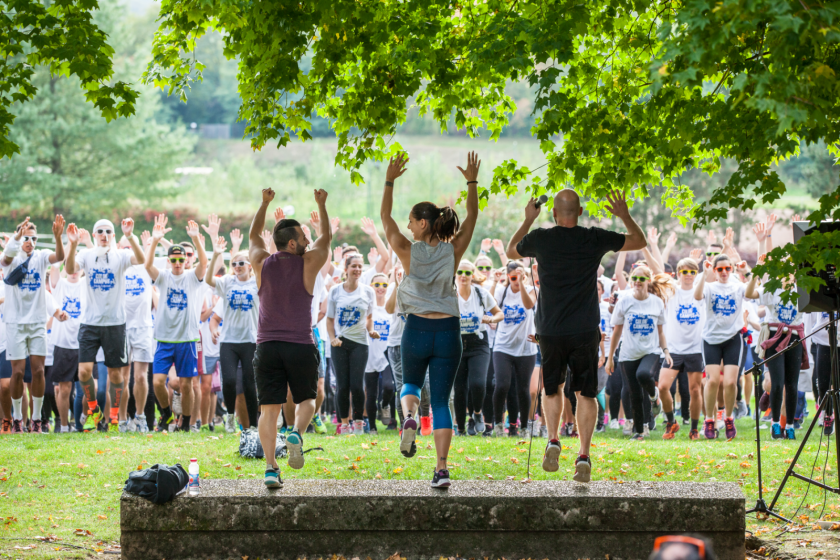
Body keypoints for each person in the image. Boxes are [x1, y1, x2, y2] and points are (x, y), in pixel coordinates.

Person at [506, 189, 645, 482]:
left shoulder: (541, 238)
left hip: (551, 329)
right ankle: (583, 455)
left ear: (554, 213)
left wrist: (528, 219)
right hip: (584, 328)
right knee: (586, 392)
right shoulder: (593, 237)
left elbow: (510, 251)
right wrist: (624, 215)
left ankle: (554, 438)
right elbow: (639, 241)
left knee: (552, 388)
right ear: (580, 211)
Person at [381, 152, 480, 488]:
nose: (407, 226)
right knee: (440, 400)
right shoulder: (453, 251)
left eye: (411, 221)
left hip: (417, 329)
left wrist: (390, 179)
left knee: (409, 385)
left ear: (422, 223)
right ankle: (441, 470)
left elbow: (384, 216)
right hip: (448, 331)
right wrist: (471, 182)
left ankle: (409, 418)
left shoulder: (407, 251)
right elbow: (472, 218)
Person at [249, 187, 331, 488]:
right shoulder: (308, 265)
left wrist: (264, 204)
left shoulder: (260, 263)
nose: (308, 241)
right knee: (307, 400)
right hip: (300, 344)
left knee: (268, 411)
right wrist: (321, 206)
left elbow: (254, 237)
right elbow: (326, 240)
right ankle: (296, 431)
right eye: (304, 238)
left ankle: (271, 468)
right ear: (293, 242)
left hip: (267, 346)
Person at [65, 217, 145, 431]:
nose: (104, 235)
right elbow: (69, 268)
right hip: (89, 323)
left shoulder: (121, 256)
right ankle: (93, 410)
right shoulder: (86, 255)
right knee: (83, 372)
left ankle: (114, 417)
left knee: (116, 375)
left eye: (108, 231)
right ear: (93, 235)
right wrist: (73, 244)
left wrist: (130, 236)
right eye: (99, 231)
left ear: (113, 236)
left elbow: (141, 258)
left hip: (115, 324)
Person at [1, 216, 66, 433]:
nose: (30, 241)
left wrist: (57, 237)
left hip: (37, 323)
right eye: (26, 237)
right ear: (19, 238)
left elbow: (59, 256)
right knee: (17, 373)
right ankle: (18, 418)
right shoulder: (12, 258)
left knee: (38, 371)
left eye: (33, 237)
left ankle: (37, 419)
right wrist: (17, 237)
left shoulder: (39, 257)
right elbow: (5, 259)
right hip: (15, 324)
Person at [144, 214, 208, 432]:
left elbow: (204, 263)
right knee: (157, 381)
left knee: (186, 384)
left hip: (187, 338)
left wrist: (196, 238)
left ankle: (187, 423)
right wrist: (154, 240)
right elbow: (148, 264)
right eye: (174, 260)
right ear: (169, 261)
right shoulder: (163, 276)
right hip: (164, 337)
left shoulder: (192, 277)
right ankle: (166, 414)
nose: (179, 263)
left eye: (182, 260)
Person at [606, 265, 673, 440]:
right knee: (633, 392)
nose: (637, 282)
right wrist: (611, 357)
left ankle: (653, 395)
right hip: (627, 353)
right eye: (634, 278)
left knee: (643, 375)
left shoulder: (656, 302)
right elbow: (617, 331)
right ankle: (640, 431)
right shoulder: (625, 301)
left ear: (648, 281)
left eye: (642, 279)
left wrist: (665, 351)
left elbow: (660, 332)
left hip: (650, 351)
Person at [746, 253, 804, 440]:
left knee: (792, 385)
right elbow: (749, 294)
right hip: (775, 338)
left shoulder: (802, 290)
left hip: (795, 338)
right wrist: (756, 272)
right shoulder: (773, 288)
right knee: (777, 384)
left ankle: (790, 425)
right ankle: (775, 423)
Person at [206, 241, 260, 431]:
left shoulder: (257, 282)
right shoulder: (228, 282)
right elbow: (208, 279)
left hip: (250, 341)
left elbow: (268, 266)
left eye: (241, 263)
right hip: (228, 341)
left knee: (249, 384)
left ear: (250, 266)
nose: (237, 267)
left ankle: (253, 424)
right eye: (234, 264)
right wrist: (216, 254)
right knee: (228, 381)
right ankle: (229, 417)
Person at [694, 252, 749, 440]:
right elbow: (697, 295)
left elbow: (752, 293)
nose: (724, 272)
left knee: (731, 382)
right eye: (720, 269)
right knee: (713, 381)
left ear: (732, 269)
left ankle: (728, 418)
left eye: (728, 268)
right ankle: (709, 420)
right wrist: (704, 273)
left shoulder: (738, 286)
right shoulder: (709, 286)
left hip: (733, 338)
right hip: (711, 339)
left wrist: (750, 272)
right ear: (715, 271)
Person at [326, 254, 379, 435]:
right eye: (353, 266)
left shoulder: (368, 291)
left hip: (360, 343)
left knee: (357, 385)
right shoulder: (335, 291)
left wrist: (371, 330)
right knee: (342, 386)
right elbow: (330, 320)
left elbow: (369, 317)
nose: (357, 269)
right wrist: (333, 338)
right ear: (346, 269)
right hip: (340, 343)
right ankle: (344, 424)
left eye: (360, 266)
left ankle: (358, 423)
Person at [658, 257, 705, 441]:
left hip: (695, 349)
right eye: (685, 272)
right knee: (663, 387)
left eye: (692, 272)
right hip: (674, 349)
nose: (689, 275)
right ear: (678, 273)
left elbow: (710, 273)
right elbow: (657, 268)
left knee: (695, 390)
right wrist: (649, 245)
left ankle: (694, 428)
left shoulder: (700, 291)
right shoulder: (672, 291)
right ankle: (671, 421)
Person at [453, 260, 502, 435]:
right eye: (460, 272)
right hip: (456, 344)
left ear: (473, 275)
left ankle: (477, 413)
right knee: (459, 388)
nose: (464, 276)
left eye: (467, 273)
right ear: (455, 274)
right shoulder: (449, 295)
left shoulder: (481, 293)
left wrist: (490, 319)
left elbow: (499, 313)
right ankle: (460, 428)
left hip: (479, 343)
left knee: (478, 383)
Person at [491, 261, 537, 437]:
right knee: (502, 384)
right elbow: (489, 305)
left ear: (524, 277)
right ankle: (497, 424)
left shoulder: (532, 289)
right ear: (508, 277)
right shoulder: (502, 292)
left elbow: (528, 305)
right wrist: (495, 283)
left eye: (519, 276)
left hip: (526, 348)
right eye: (513, 277)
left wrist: (524, 283)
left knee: (523, 389)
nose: (516, 280)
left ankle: (523, 427)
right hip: (503, 346)